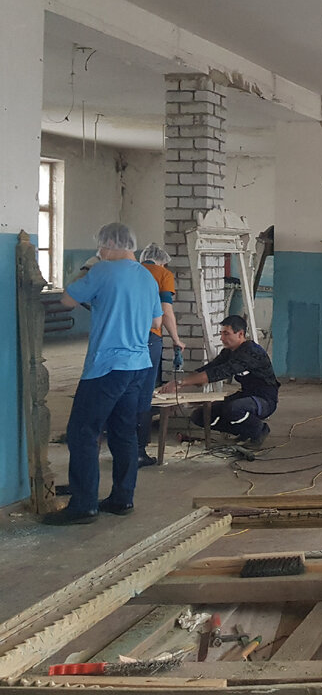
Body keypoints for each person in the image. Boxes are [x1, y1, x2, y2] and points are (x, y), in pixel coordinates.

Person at [45, 223, 160, 524]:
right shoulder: (147, 277)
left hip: (107, 366)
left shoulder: (102, 271)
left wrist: (88, 269)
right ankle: (122, 499)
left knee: (82, 432)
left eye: (101, 246)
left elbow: (67, 300)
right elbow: (157, 322)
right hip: (138, 366)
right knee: (123, 433)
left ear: (108, 244)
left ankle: (84, 504)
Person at [161, 314, 280, 448]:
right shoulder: (228, 352)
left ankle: (259, 430)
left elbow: (218, 373)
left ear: (240, 334)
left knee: (234, 409)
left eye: (226, 334)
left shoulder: (251, 352)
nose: (222, 338)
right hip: (245, 394)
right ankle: (245, 431)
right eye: (221, 333)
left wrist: (180, 383)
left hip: (264, 399)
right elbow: (209, 368)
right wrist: (177, 389)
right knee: (199, 416)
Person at [135, 243, 186, 468]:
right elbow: (166, 311)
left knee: (124, 390)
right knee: (144, 394)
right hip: (149, 338)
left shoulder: (130, 271)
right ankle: (138, 451)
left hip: (122, 337)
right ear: (162, 262)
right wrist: (176, 339)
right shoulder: (163, 274)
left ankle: (120, 446)